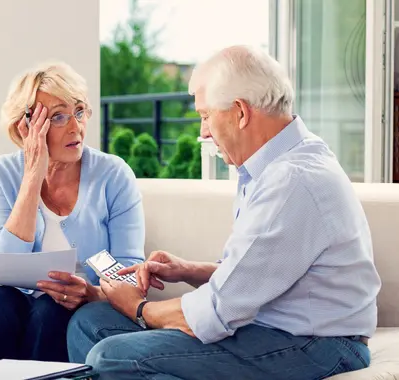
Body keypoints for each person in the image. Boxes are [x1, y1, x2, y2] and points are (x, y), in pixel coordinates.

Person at [66, 45, 382, 379]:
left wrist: (137, 307)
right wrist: (187, 269)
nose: (202, 132)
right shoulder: (274, 166)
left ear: (240, 113)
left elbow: (218, 310)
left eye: (205, 116)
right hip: (271, 327)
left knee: (110, 357)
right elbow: (255, 274)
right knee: (90, 323)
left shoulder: (291, 181)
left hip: (316, 344)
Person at [0, 61, 146, 363]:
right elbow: (3, 266)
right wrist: (33, 176)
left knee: (50, 311)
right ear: (25, 128)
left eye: (79, 111)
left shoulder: (113, 174)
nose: (76, 127)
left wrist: (91, 292)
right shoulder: (3, 173)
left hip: (80, 308)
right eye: (59, 117)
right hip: (15, 306)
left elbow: (131, 276)